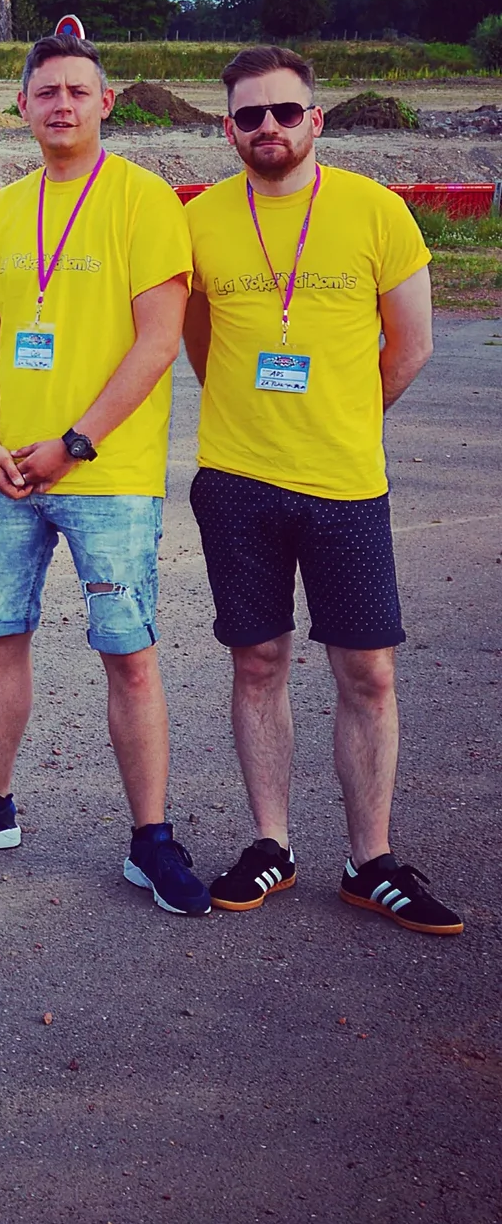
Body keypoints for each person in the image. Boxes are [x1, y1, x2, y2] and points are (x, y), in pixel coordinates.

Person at [0, 38, 208, 915]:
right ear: (23, 107)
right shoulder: (6, 209)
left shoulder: (145, 202)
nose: (61, 106)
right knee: (0, 633)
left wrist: (73, 443)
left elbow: (158, 341)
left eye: (77, 91)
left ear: (108, 102)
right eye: (45, 94)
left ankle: (151, 840)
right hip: (1, 475)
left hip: (105, 475)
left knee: (128, 653)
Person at [183, 46, 456, 933]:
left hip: (344, 485)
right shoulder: (201, 220)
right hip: (236, 482)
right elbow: (197, 341)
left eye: (286, 112)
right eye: (251, 116)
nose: (269, 128)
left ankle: (370, 859)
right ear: (229, 128)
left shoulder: (378, 215)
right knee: (257, 663)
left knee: (367, 673)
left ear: (317, 120)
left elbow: (409, 347)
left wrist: (338, 415)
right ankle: (272, 845)